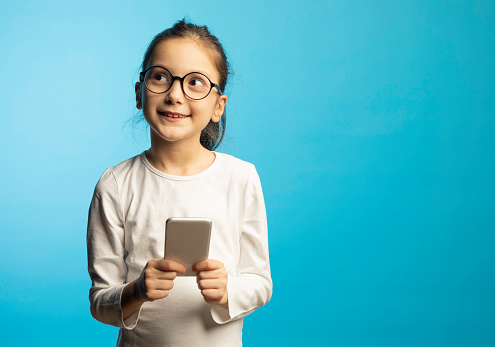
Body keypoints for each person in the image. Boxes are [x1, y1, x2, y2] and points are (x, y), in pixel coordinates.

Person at [86, 19, 272, 346]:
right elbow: (100, 302)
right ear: (139, 94)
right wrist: (136, 291)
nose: (175, 94)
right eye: (160, 77)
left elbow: (260, 282)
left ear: (218, 106)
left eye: (196, 82)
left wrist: (228, 290)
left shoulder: (241, 178)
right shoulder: (115, 184)